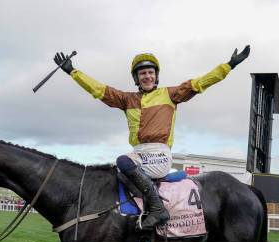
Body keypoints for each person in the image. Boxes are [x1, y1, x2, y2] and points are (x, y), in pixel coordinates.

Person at [53, 46, 251, 230]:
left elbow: (200, 83)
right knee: (115, 170)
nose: (147, 76)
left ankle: (158, 210)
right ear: (136, 78)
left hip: (159, 154)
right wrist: (73, 72)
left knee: (122, 161)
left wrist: (229, 65)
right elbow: (99, 90)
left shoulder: (171, 94)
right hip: (139, 154)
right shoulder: (126, 99)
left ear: (156, 76)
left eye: (150, 72)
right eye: (142, 73)